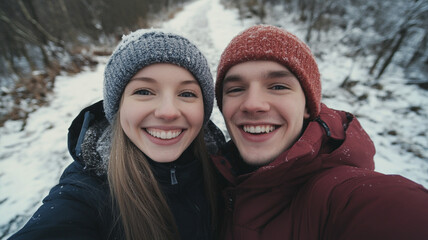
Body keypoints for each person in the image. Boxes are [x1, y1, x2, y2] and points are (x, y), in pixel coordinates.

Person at [212, 25, 428, 240]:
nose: (252, 104)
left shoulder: (343, 197)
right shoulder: (213, 176)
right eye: (236, 89)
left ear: (308, 106)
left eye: (278, 86)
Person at [9, 30, 225, 240]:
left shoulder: (226, 170)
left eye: (187, 94)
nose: (168, 112)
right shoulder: (87, 192)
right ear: (117, 106)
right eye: (144, 92)